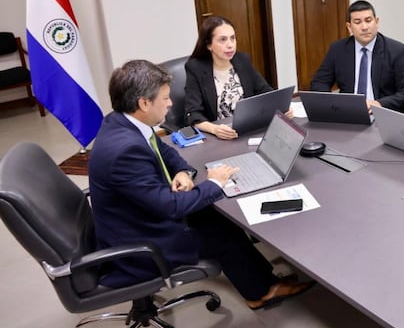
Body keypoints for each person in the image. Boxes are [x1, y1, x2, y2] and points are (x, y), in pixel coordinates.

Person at [88, 60, 313, 310]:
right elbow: (171, 208)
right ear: (143, 103)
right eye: (165, 98)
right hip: (141, 242)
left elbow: (164, 150)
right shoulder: (124, 151)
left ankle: (262, 282)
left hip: (136, 216)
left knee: (216, 216)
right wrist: (215, 183)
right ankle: (261, 292)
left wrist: (183, 171)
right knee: (222, 231)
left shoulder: (125, 121)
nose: (171, 103)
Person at [185, 15, 291, 140]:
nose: (230, 45)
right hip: (221, 135)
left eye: (232, 38)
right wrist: (215, 129)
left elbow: (265, 91)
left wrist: (282, 108)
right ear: (209, 45)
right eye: (222, 40)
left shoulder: (242, 60)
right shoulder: (195, 68)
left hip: (248, 129)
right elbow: (194, 113)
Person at [310, 0, 404, 113]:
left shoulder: (396, 51)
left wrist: (379, 104)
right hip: (348, 112)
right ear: (349, 27)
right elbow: (319, 82)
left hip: (382, 113)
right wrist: (332, 103)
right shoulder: (338, 49)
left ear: (376, 22)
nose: (364, 27)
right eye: (357, 22)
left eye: (368, 20)